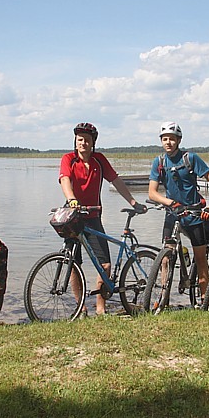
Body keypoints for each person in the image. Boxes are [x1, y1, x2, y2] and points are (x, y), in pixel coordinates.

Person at [59, 122, 147, 316]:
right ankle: (80, 306)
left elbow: (115, 180)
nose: (83, 143)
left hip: (93, 217)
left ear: (93, 143)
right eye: (80, 139)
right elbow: (65, 179)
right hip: (73, 217)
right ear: (75, 141)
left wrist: (133, 202)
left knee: (105, 265)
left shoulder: (99, 160)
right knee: (73, 263)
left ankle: (100, 308)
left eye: (87, 140)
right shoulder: (69, 159)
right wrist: (71, 199)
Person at [148, 121, 209, 301]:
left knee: (201, 259)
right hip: (172, 215)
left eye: (172, 139)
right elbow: (152, 193)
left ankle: (205, 299)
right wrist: (170, 203)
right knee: (165, 258)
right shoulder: (159, 162)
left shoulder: (191, 158)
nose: (168, 143)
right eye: (165, 139)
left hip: (193, 215)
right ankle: (162, 299)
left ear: (178, 140)